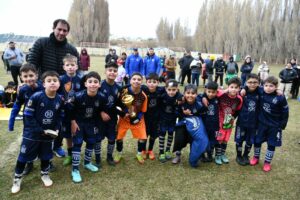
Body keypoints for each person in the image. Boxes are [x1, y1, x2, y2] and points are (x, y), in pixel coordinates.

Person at [27, 19, 80, 159]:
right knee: (41, 120)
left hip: (61, 92)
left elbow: (76, 69)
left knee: (60, 122)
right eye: (59, 29)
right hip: (43, 89)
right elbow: (31, 63)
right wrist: (30, 81)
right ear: (53, 28)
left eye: (65, 30)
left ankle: (57, 146)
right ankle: (37, 149)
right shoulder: (41, 43)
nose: (61, 33)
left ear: (68, 32)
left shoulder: (71, 49)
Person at [11, 71, 64, 194]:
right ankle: (17, 179)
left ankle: (45, 175)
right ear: (43, 84)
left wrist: (56, 128)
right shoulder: (36, 97)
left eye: (55, 80)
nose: (52, 83)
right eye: (49, 80)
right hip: (32, 135)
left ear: (59, 84)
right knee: (23, 157)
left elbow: (60, 116)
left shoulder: (59, 99)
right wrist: (40, 130)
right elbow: (28, 116)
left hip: (48, 135)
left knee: (46, 155)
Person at [69, 71, 104, 183]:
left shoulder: (101, 97)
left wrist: (103, 112)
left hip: (91, 123)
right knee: (78, 144)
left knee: (91, 142)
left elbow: (102, 109)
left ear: (99, 84)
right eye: (90, 82)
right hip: (79, 123)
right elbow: (70, 110)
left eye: (95, 82)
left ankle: (87, 163)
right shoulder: (78, 96)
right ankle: (75, 170)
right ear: (85, 84)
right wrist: (73, 122)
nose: (93, 84)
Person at [250, 76, 289, 172]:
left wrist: (282, 124)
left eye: (271, 86)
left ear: (276, 86)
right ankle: (256, 157)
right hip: (261, 124)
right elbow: (251, 86)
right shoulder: (261, 91)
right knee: (257, 141)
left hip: (274, 126)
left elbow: (285, 111)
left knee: (271, 144)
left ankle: (267, 162)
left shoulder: (280, 97)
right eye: (266, 85)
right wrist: (244, 89)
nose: (268, 88)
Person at [114, 72, 148, 164]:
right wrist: (123, 113)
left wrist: (138, 118)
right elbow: (117, 104)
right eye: (134, 79)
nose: (136, 81)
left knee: (142, 137)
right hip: (124, 119)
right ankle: (119, 152)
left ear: (142, 81)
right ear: (130, 80)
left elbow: (143, 110)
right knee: (119, 137)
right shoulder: (124, 91)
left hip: (138, 119)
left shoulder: (143, 95)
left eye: (139, 79)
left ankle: (139, 153)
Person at [172, 84, 207, 167]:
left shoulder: (199, 103)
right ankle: (177, 155)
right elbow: (176, 112)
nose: (190, 95)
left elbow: (203, 112)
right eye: (188, 93)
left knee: (194, 140)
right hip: (182, 125)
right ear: (184, 93)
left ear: (196, 94)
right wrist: (182, 113)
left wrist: (204, 99)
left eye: (193, 93)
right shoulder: (181, 102)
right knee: (179, 139)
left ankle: (194, 156)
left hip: (194, 126)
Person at [57, 54, 82, 166]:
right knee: (67, 134)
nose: (70, 67)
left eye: (73, 65)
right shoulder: (60, 79)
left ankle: (76, 153)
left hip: (77, 111)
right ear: (64, 67)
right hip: (65, 111)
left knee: (76, 132)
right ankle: (70, 154)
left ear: (77, 66)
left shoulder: (81, 79)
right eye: (68, 65)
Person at [96, 62, 122, 167]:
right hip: (99, 117)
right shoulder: (99, 85)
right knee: (98, 139)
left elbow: (118, 103)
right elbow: (94, 101)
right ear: (105, 71)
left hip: (112, 117)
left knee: (112, 138)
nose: (112, 72)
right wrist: (101, 112)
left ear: (117, 73)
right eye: (110, 70)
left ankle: (109, 156)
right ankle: (97, 159)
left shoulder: (119, 87)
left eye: (115, 71)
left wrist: (125, 111)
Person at [213, 77, 243, 165]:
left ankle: (222, 154)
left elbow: (238, 110)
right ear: (228, 87)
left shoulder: (239, 99)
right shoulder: (222, 94)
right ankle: (217, 155)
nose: (234, 89)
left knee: (226, 139)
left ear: (239, 88)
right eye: (232, 87)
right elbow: (214, 94)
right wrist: (224, 91)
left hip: (229, 120)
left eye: (236, 87)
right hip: (219, 120)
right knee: (219, 138)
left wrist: (232, 118)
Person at [235, 74, 260, 166]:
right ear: (246, 82)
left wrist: (278, 90)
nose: (252, 84)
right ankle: (238, 156)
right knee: (239, 140)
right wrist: (244, 88)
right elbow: (228, 91)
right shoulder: (241, 92)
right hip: (241, 122)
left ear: (259, 83)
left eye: (255, 82)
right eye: (250, 82)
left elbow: (271, 91)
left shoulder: (260, 92)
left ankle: (246, 155)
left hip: (254, 123)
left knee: (250, 141)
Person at [158, 79, 183, 163]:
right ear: (166, 89)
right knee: (162, 135)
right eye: (169, 90)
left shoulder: (178, 97)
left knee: (170, 135)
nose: (171, 92)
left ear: (177, 89)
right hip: (163, 119)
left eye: (173, 90)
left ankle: (167, 150)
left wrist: (179, 95)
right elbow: (158, 89)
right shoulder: (162, 95)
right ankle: (161, 152)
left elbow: (181, 96)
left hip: (172, 120)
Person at [141, 73, 164, 160]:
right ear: (146, 82)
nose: (151, 84)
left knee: (153, 135)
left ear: (158, 83)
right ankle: (143, 150)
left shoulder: (160, 90)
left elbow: (172, 89)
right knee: (144, 135)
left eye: (154, 82)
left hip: (156, 119)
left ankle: (150, 150)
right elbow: (131, 85)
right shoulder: (143, 89)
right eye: (149, 82)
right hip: (145, 118)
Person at [199, 81, 219, 163]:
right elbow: (196, 95)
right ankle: (202, 155)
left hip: (214, 126)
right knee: (203, 140)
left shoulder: (218, 98)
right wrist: (203, 96)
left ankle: (210, 154)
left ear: (216, 92)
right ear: (205, 90)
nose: (210, 94)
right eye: (209, 92)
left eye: (213, 92)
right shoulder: (201, 98)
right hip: (204, 125)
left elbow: (224, 91)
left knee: (212, 141)